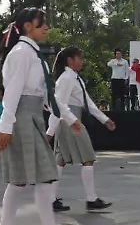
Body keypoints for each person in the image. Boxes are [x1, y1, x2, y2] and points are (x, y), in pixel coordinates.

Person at [0, 7, 79, 225]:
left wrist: (68, 117)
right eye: (42, 23)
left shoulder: (31, 54)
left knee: (22, 179)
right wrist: (6, 126)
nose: (46, 28)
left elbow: (43, 95)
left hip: (30, 118)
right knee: (39, 176)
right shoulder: (22, 53)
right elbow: (13, 92)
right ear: (28, 26)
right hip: (22, 118)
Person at [48, 46, 115, 213]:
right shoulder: (67, 78)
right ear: (70, 60)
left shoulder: (73, 78)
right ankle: (91, 199)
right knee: (88, 158)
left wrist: (104, 119)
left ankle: (50, 199)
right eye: (80, 58)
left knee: (60, 161)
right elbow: (58, 104)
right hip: (71, 120)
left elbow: (88, 104)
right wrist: (71, 122)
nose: (82, 61)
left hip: (68, 120)